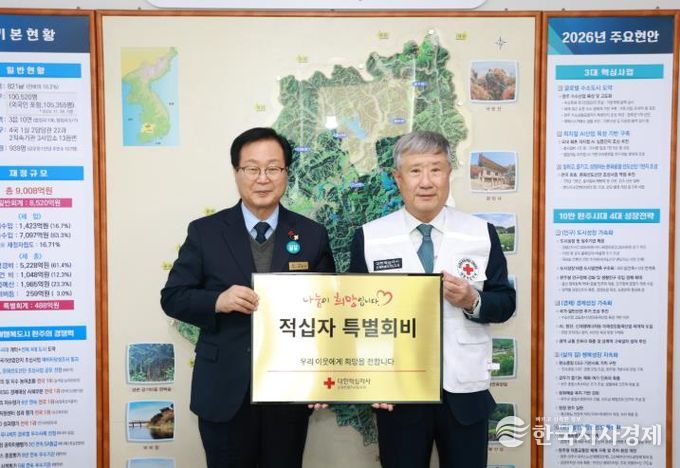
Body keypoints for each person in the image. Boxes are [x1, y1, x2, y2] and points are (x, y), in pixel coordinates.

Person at [161, 127, 335, 468]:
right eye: (252, 168)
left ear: (286, 173)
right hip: (223, 391)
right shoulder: (206, 232)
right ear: (236, 172)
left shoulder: (312, 235)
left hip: (289, 392)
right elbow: (173, 297)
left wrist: (322, 378)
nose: (263, 178)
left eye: (273, 168)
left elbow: (329, 312)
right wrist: (217, 301)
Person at [349, 131, 515, 468]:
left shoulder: (481, 234)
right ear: (398, 178)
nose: (426, 182)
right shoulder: (370, 238)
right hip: (398, 393)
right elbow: (356, 320)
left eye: (436, 169)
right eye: (415, 171)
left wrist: (472, 300)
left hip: (464, 392)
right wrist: (371, 381)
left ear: (449, 173)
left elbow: (505, 303)